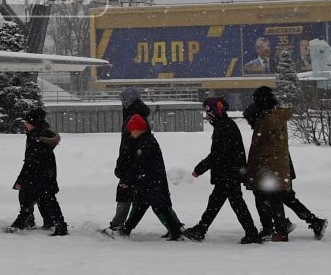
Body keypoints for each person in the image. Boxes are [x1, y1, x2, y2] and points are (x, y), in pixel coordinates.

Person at [243, 86, 326, 241]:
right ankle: (312, 222)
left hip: (271, 168)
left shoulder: (270, 118)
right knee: (284, 198)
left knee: (273, 198)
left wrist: (259, 157)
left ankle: (281, 229)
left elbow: (272, 144)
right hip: (276, 167)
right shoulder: (272, 116)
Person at [183, 96, 263, 244]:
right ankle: (202, 229)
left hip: (228, 173)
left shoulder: (223, 127)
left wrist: (199, 168)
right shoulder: (225, 124)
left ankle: (249, 233)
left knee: (229, 203)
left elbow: (217, 155)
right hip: (230, 172)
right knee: (222, 202)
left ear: (213, 112)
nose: (206, 116)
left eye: (207, 113)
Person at [104, 111, 183, 240]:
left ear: (137, 129)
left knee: (159, 207)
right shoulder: (143, 141)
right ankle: (126, 230)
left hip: (152, 181)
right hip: (148, 181)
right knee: (140, 205)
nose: (130, 132)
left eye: (132, 130)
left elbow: (139, 164)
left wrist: (128, 180)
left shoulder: (146, 143)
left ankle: (175, 232)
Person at [7, 106, 67, 235]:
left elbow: (31, 162)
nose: (25, 125)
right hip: (44, 174)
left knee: (37, 199)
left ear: (33, 123)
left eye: (27, 123)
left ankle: (59, 226)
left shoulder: (37, 138)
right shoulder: (39, 134)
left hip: (38, 175)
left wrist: (21, 179)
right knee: (37, 199)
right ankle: (23, 223)